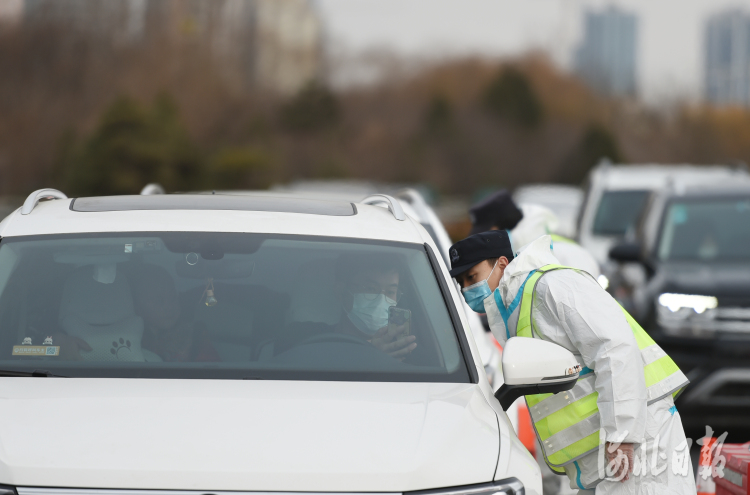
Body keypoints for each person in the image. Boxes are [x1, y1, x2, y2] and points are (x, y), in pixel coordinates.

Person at [448, 230, 694, 494]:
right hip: (604, 454)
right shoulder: (513, 309)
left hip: (639, 440)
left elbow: (614, 349)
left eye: (471, 277)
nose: (467, 289)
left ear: (502, 263)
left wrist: (622, 435)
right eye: (461, 282)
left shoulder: (553, 285)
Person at [277, 254, 417, 359]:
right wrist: (370, 356)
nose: (381, 299)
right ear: (340, 291)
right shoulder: (301, 338)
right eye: (370, 288)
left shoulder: (406, 351)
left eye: (391, 292)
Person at [470, 190, 600, 277]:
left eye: (487, 234)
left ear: (500, 229)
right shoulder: (532, 251)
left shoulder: (558, 256)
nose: (486, 243)